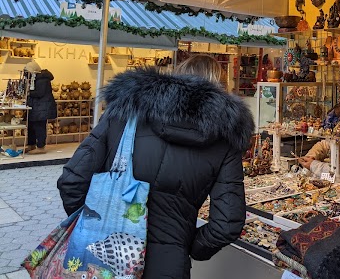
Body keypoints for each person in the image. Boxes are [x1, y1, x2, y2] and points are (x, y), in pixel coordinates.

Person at [57, 55, 254, 279]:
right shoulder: (225, 140)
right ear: (221, 88)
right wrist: (185, 246)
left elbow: (72, 181)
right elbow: (227, 224)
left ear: (176, 78)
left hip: (102, 262)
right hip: (169, 265)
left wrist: (92, 225)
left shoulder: (127, 111)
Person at [24, 60, 57, 154]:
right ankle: (31, 145)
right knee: (31, 126)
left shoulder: (42, 79)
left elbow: (39, 93)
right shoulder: (36, 79)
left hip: (41, 108)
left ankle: (40, 147)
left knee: (39, 127)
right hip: (36, 107)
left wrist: (28, 93)